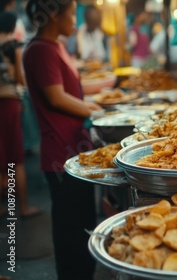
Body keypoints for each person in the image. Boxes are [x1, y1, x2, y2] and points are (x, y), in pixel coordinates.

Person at [22, 1, 102, 279]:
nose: (74, 20)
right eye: (71, 13)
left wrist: (93, 105)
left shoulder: (55, 46)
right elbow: (56, 97)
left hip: (75, 151)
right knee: (72, 231)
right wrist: (98, 111)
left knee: (83, 223)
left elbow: (71, 91)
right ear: (53, 15)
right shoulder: (40, 51)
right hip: (61, 155)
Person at [0, 12, 40, 218]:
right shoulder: (12, 46)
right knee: (16, 158)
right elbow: (19, 79)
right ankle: (22, 207)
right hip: (9, 103)